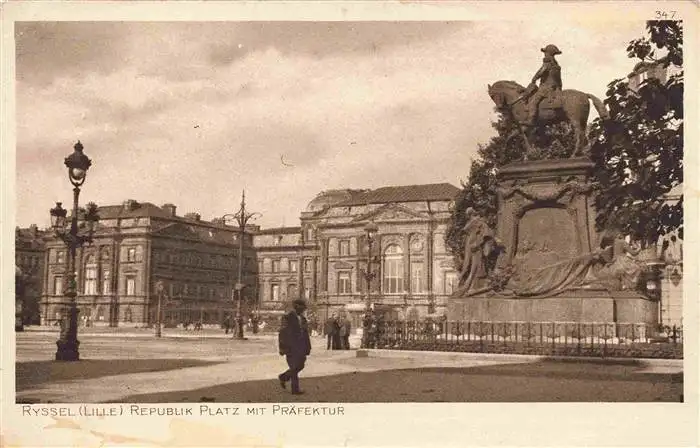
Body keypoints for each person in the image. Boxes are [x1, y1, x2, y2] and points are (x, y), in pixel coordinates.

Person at [277, 299, 312, 395]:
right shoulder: (287, 317)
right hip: (290, 347)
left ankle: (283, 377)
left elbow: (305, 334)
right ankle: (295, 389)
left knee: (300, 365)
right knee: (294, 366)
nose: (303, 309)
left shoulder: (303, 319)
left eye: (303, 308)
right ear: (296, 307)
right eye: (301, 307)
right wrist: (282, 348)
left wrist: (308, 347)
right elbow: (282, 333)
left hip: (301, 347)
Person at [460, 208, 495, 292]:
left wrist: (478, 243)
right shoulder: (471, 222)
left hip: (475, 247)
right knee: (469, 264)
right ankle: (470, 284)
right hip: (470, 245)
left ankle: (473, 285)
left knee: (476, 265)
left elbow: (486, 234)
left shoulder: (480, 222)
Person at [527, 44, 563, 125]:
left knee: (533, 102)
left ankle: (531, 119)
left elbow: (541, 71)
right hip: (555, 88)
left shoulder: (547, 63)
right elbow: (559, 80)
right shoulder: (556, 66)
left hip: (546, 88)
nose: (545, 54)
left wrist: (534, 79)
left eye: (545, 52)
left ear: (548, 53)